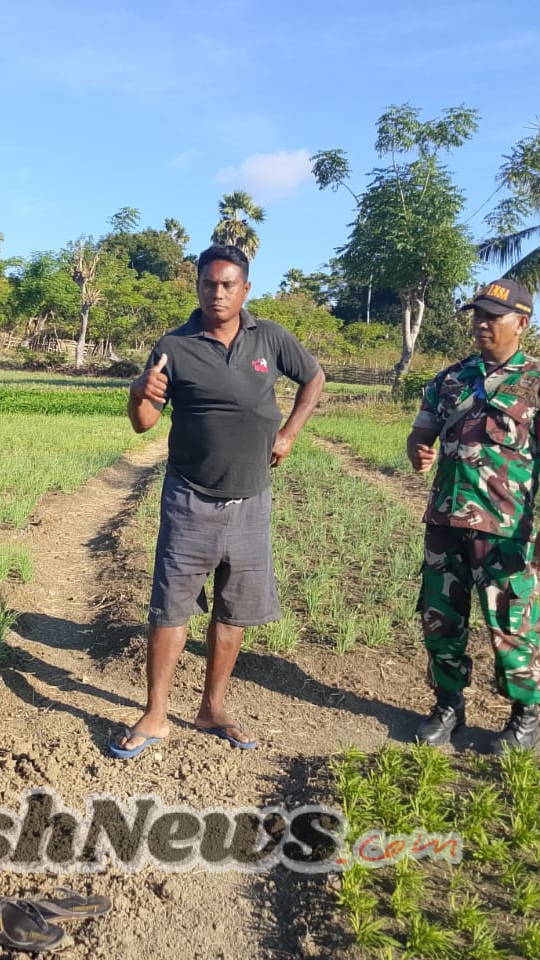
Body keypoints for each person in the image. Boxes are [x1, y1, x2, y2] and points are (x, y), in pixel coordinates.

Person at [111, 244, 325, 758]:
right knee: (171, 608)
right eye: (209, 283)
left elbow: (313, 377)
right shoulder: (175, 345)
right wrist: (141, 388)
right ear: (198, 286)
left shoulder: (270, 337)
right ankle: (156, 713)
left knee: (233, 612)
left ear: (245, 289)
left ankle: (213, 707)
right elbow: (143, 422)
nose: (218, 292)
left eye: (229, 284)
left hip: (251, 499)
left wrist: (291, 431)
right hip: (190, 497)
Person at [405, 278, 540, 753]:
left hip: (505, 530)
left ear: (521, 324)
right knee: (440, 618)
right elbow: (421, 433)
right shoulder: (449, 379)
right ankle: (448, 705)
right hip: (444, 522)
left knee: (510, 622)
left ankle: (524, 717)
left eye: (492, 316)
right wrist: (418, 451)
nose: (481, 324)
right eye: (477, 315)